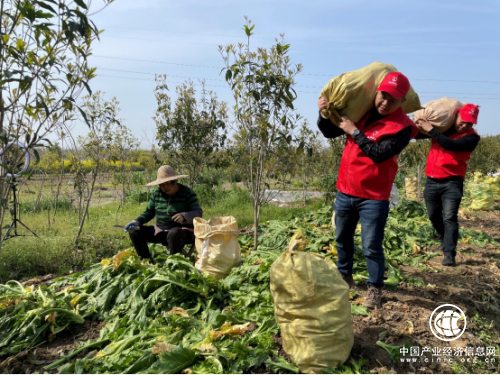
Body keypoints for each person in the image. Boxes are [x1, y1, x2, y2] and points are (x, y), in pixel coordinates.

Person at [317, 72, 419, 309]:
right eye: (383, 96)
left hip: (373, 197)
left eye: (393, 100)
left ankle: (374, 288)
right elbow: (330, 131)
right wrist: (322, 113)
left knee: (371, 244)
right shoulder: (359, 111)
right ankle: (345, 275)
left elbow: (380, 155)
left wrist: (355, 132)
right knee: (342, 238)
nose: (385, 103)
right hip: (345, 190)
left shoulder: (404, 127)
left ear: (402, 101)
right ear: (376, 93)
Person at [416, 104, 480, 267]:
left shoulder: (472, 138)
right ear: (456, 116)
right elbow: (420, 134)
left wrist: (430, 128)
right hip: (432, 180)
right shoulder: (443, 128)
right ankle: (444, 238)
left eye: (469, 123)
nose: (464, 125)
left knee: (449, 217)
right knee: (432, 215)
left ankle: (449, 254)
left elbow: (451, 145)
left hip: (452, 182)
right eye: (463, 120)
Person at [124, 165, 203, 261]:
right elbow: (149, 212)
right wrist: (136, 221)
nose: (164, 188)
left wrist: (184, 216)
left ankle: (173, 262)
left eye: (167, 184)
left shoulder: (187, 193)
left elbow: (198, 213)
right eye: (161, 185)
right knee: (134, 231)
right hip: (161, 231)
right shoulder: (157, 194)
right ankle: (146, 261)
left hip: (182, 232)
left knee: (174, 233)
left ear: (175, 181)